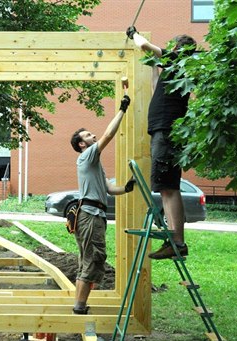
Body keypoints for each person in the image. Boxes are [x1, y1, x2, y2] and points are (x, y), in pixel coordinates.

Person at [126, 26, 197, 260]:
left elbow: (144, 45)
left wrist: (134, 34)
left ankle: (177, 241)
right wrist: (156, 68)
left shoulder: (179, 59)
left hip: (166, 131)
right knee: (167, 186)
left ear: (177, 48)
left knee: (168, 187)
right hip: (163, 131)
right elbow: (156, 86)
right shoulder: (175, 73)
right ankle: (175, 240)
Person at [69, 95, 134, 315]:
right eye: (88, 135)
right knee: (94, 257)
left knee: (88, 258)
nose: (93, 135)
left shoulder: (94, 163)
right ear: (81, 144)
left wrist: (126, 187)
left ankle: (80, 304)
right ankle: (79, 307)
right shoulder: (87, 156)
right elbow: (108, 135)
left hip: (94, 214)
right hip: (90, 214)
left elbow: (108, 189)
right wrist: (122, 110)